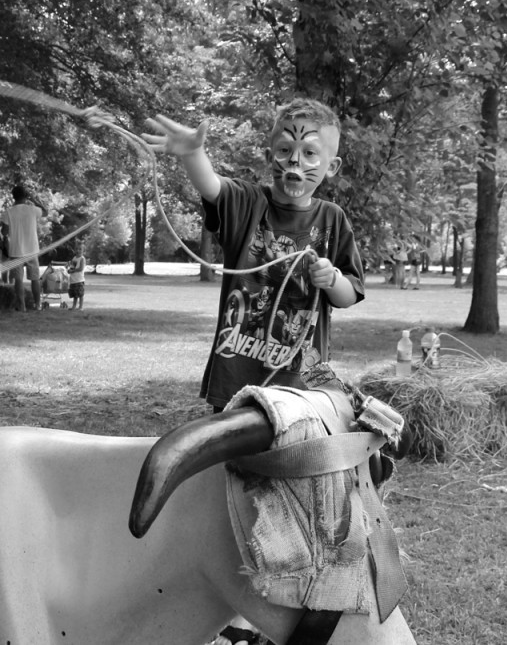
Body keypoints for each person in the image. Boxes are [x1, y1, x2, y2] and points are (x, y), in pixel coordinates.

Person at [142, 97, 365, 645]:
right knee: (236, 492)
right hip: (239, 382)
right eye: (286, 149)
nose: (296, 161)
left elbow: (350, 294)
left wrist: (328, 275)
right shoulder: (251, 205)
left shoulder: (332, 221)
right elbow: (214, 188)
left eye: (310, 152)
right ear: (272, 154)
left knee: (291, 491)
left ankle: (284, 597)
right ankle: (233, 615)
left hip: (299, 392)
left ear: (329, 167)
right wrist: (193, 155)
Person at [0, 184, 48, 311]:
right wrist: (35, 200)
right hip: (32, 249)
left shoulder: (8, 212)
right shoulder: (32, 209)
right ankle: (37, 305)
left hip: (16, 250)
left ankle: (22, 306)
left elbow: (4, 231)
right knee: (35, 278)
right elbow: (46, 212)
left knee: (18, 279)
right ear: (26, 196)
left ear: (13, 197)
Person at [67, 246, 86, 310]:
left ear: (83, 251)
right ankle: (74, 306)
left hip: (79, 279)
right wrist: (69, 270)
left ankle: (81, 307)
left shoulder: (82, 258)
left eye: (80, 249)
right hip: (73, 280)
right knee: (75, 295)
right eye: (77, 249)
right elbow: (72, 266)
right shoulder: (74, 258)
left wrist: (73, 271)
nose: (78, 250)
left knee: (80, 294)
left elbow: (81, 268)